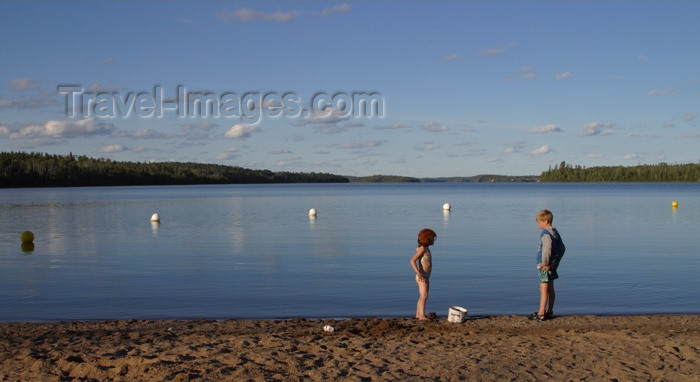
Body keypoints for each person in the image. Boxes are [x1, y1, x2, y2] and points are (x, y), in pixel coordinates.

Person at [530, 209, 565, 322]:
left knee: (543, 288)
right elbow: (562, 248)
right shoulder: (555, 232)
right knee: (550, 287)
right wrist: (556, 262)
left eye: (539, 222)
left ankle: (541, 313)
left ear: (546, 221)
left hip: (545, 265)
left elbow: (547, 249)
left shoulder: (545, 234)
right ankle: (549, 310)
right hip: (553, 264)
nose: (538, 224)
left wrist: (545, 263)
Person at [410, 228, 436, 320]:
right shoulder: (422, 249)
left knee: (422, 296)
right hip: (422, 276)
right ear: (427, 239)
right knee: (424, 296)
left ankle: (418, 314)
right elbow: (412, 261)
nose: (434, 240)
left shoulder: (425, 249)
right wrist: (419, 273)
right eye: (432, 238)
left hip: (426, 276)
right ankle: (421, 315)